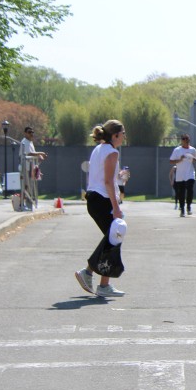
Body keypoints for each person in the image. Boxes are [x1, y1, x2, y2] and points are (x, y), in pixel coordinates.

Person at [74, 120, 126, 297]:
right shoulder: (112, 152)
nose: (124, 136)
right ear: (115, 135)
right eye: (123, 133)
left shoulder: (99, 149)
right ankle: (93, 277)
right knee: (114, 239)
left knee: (113, 239)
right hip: (103, 201)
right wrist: (116, 207)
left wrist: (120, 178)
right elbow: (107, 182)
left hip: (94, 199)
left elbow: (106, 178)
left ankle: (98, 280)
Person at [170, 134, 196, 217]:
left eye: (187, 139)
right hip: (180, 174)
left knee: (190, 189)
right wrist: (180, 159)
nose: (186, 141)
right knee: (181, 192)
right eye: (184, 139)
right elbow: (171, 161)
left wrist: (193, 158)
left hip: (190, 173)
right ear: (182, 141)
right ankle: (182, 209)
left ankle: (189, 206)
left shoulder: (193, 149)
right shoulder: (177, 150)